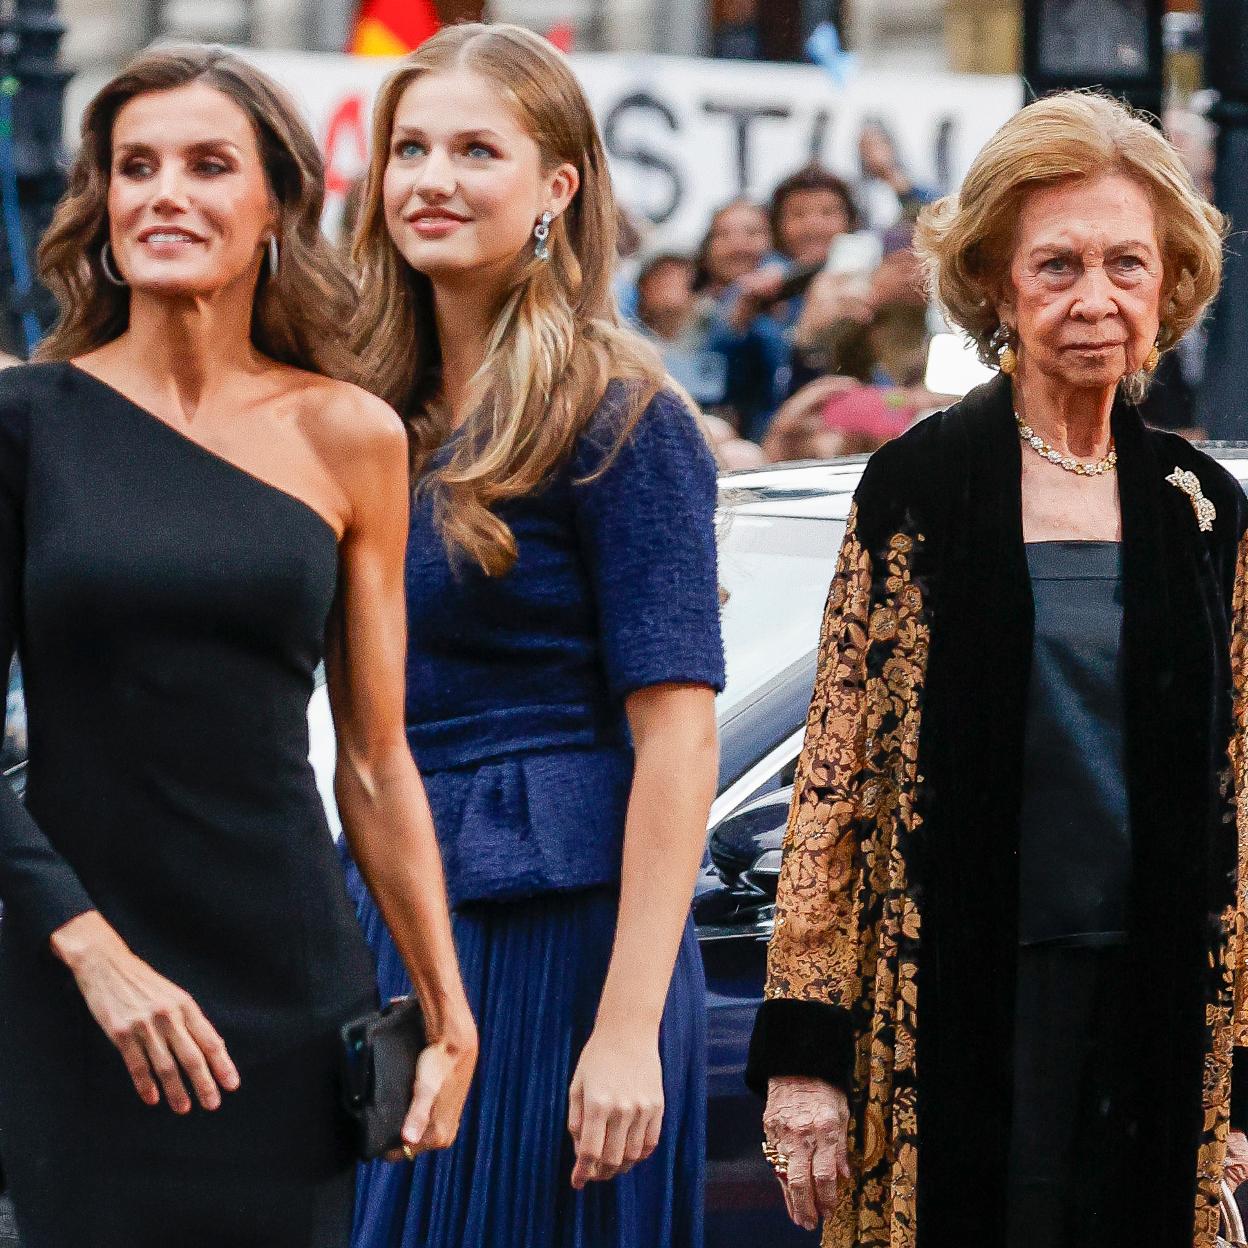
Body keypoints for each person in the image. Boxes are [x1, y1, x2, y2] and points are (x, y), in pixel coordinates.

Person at [746, 91, 1248, 1247]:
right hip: (956, 1004)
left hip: (1153, 1005)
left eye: (1128, 263)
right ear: (995, 284)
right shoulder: (920, 488)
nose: (1094, 297)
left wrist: (1234, 1074)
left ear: (1168, 282)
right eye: (1057, 264)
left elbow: (1236, 796)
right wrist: (806, 1059)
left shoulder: (1199, 509)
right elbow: (833, 784)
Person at [0, 46, 476, 1248]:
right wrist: (91, 951)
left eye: (209, 165)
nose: (166, 193)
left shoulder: (351, 434)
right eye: (134, 167)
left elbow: (374, 760)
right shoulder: (27, 425)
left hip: (285, 982)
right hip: (73, 988)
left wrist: (445, 1008)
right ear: (101, 207)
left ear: (275, 204)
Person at [343, 23, 724, 1248]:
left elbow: (677, 735)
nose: (432, 179)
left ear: (558, 186)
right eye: (410, 148)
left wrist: (625, 1028)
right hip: (391, 914)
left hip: (560, 942)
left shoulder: (622, 409)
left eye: (474, 150)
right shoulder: (360, 413)